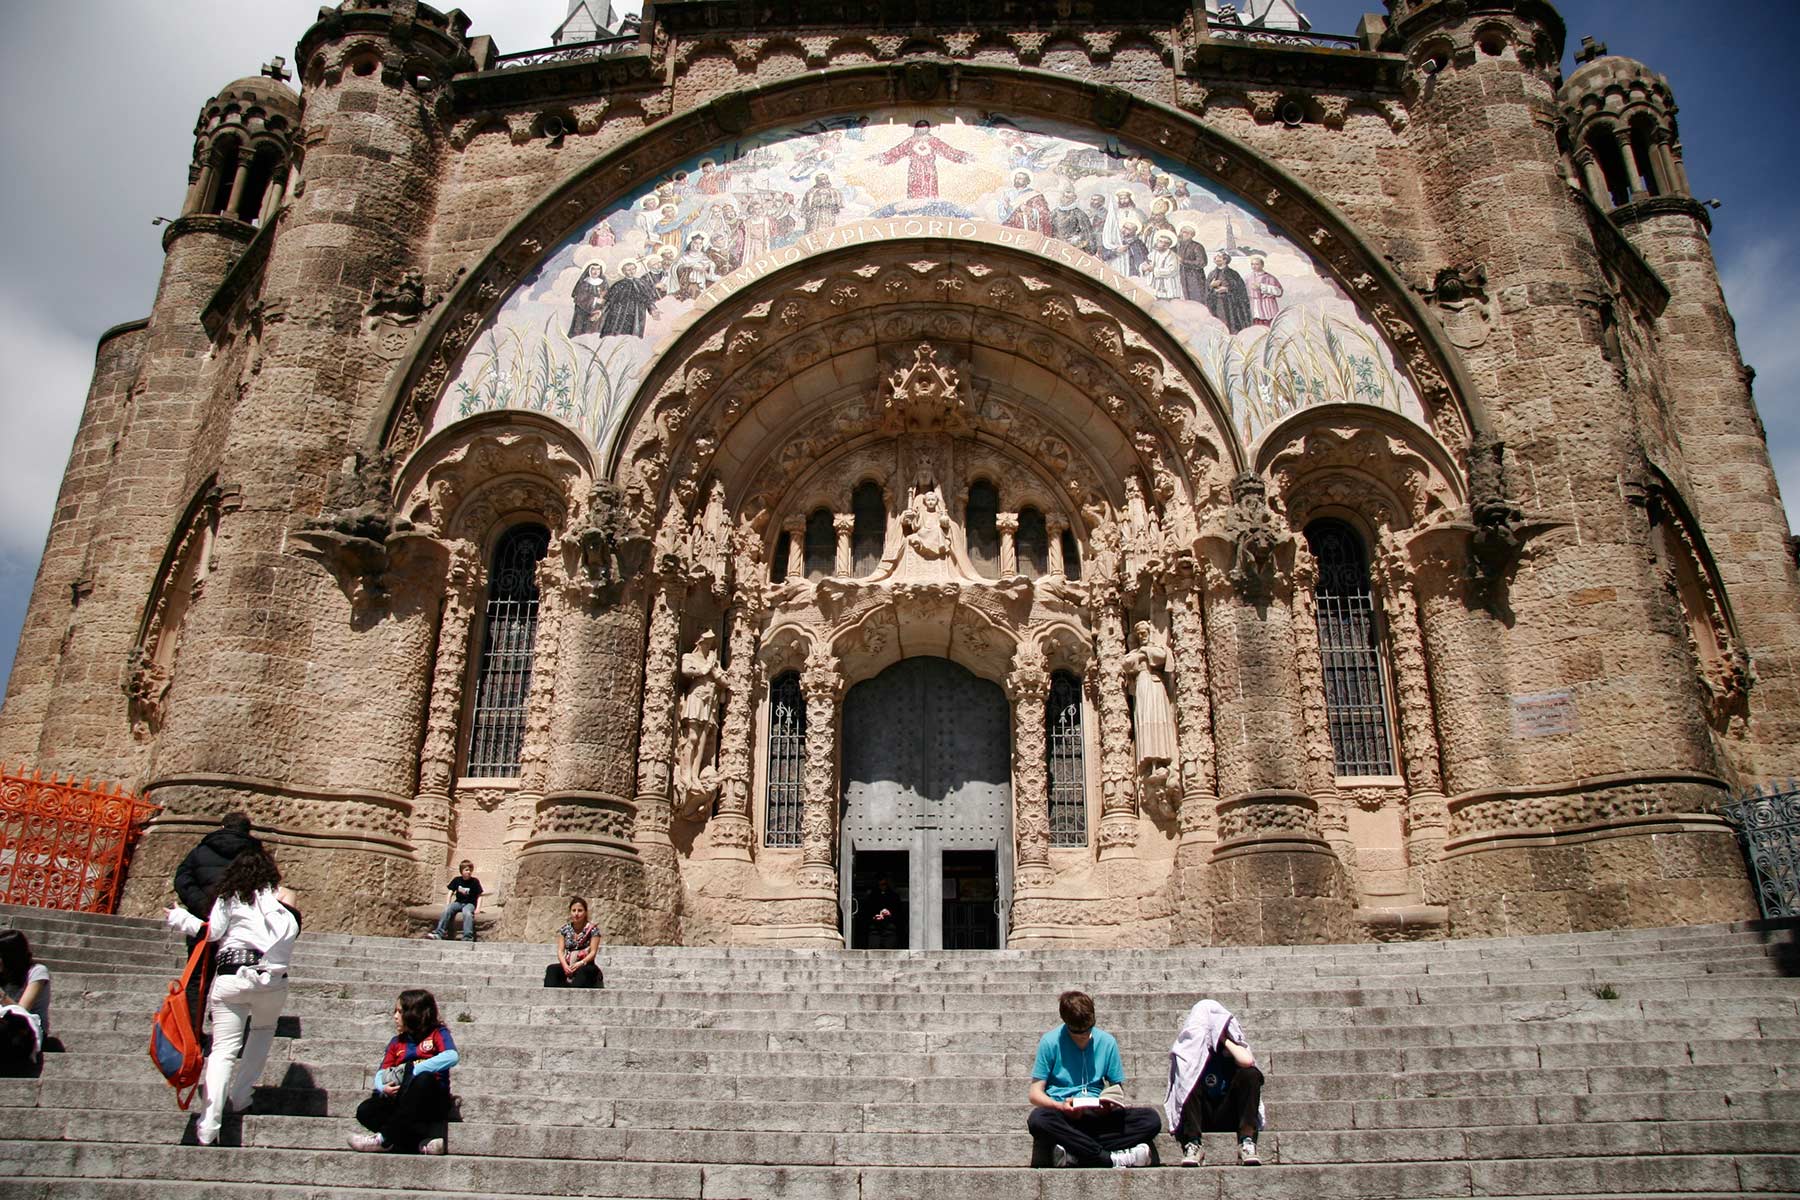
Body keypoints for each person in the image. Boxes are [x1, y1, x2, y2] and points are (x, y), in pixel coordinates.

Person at [165, 847, 300, 1146]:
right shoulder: (279, 901)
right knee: (262, 1034)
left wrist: (179, 917)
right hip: (272, 980)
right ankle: (241, 1096)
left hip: (231, 974)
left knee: (224, 1050)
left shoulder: (229, 898)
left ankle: (208, 1125)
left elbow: (211, 933)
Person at [1027, 989, 1162, 1169]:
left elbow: (1116, 1088)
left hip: (1096, 1115)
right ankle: (1110, 1158)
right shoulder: (1050, 1042)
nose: (1085, 1035)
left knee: (1151, 1119)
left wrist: (1108, 1104)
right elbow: (1035, 1093)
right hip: (1064, 1115)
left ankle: (1076, 1152)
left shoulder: (1107, 1042)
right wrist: (1060, 1106)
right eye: (1078, 1032)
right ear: (1066, 1023)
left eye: (1088, 1029)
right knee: (1038, 1120)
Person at [349, 989, 459, 1155]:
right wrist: (382, 1088)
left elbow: (452, 1056)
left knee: (423, 1078)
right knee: (365, 1110)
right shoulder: (396, 1042)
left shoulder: (438, 1033)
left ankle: (384, 1140)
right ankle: (418, 1143)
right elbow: (381, 1072)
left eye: (400, 1012)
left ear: (413, 1013)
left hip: (431, 1101)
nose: (395, 1016)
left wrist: (415, 1069)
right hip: (401, 1098)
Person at [1164, 998, 1264, 1167]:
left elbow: (1247, 1061)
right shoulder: (1189, 1053)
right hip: (1200, 1116)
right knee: (1188, 1078)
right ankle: (1193, 1143)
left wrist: (1224, 1040)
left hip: (1228, 1112)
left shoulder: (1231, 1049)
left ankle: (1247, 1140)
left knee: (1251, 1074)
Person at [0, 930, 49, 1075]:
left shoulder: (38, 972)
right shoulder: (3, 974)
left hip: (26, 1029)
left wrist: (1, 994)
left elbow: (22, 1010)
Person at [543, 896, 603, 988]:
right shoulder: (565, 929)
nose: (576, 914)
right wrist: (564, 965)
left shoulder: (593, 930)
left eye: (580, 910)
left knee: (584, 972)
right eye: (574, 910)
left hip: (585, 964)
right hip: (568, 964)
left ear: (585, 912)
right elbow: (560, 951)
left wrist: (580, 963)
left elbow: (593, 952)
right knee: (552, 969)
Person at [429, 861, 483, 942]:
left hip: (469, 904)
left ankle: (467, 937)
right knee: (447, 910)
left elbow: (479, 896)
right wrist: (448, 903)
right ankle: (439, 933)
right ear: (461, 871)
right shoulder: (457, 880)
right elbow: (450, 892)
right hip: (458, 902)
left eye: (470, 870)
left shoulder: (474, 881)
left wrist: (478, 908)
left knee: (467, 913)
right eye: (467, 870)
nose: (469, 872)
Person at [1206, 251, 1255, 334]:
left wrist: (1227, 289)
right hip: (1216, 305)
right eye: (1215, 257)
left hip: (1230, 305)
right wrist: (1211, 285)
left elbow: (1240, 289)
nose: (1216, 258)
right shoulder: (1212, 274)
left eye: (1219, 256)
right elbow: (1206, 289)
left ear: (1225, 260)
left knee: (1232, 327)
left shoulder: (1233, 274)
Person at [568, 262, 607, 336]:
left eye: (598, 269)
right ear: (589, 270)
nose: (596, 272)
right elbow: (578, 297)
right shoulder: (584, 282)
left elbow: (607, 297)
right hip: (583, 313)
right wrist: (595, 300)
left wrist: (601, 310)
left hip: (598, 313)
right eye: (593, 269)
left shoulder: (603, 282)